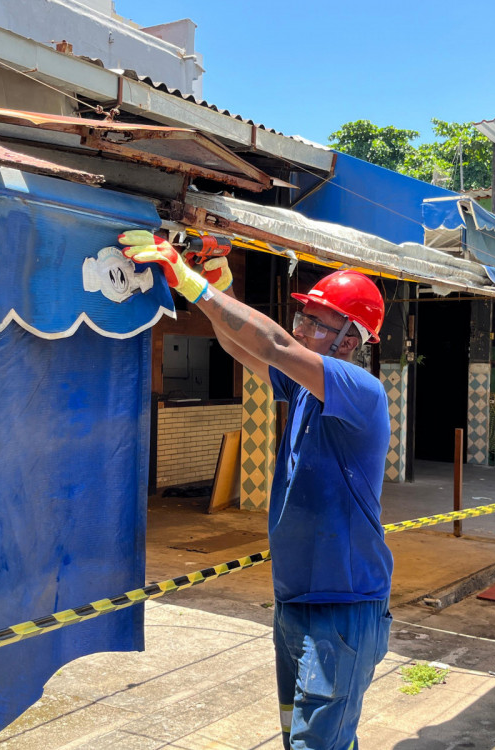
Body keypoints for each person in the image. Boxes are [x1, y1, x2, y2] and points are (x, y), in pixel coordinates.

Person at [121, 231, 393, 750]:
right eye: (302, 317)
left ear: (348, 341)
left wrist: (193, 283)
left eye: (316, 322)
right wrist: (220, 287)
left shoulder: (360, 390)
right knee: (299, 737)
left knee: (320, 746)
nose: (301, 328)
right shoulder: (305, 389)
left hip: (343, 607)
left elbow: (274, 344)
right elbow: (242, 346)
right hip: (294, 602)